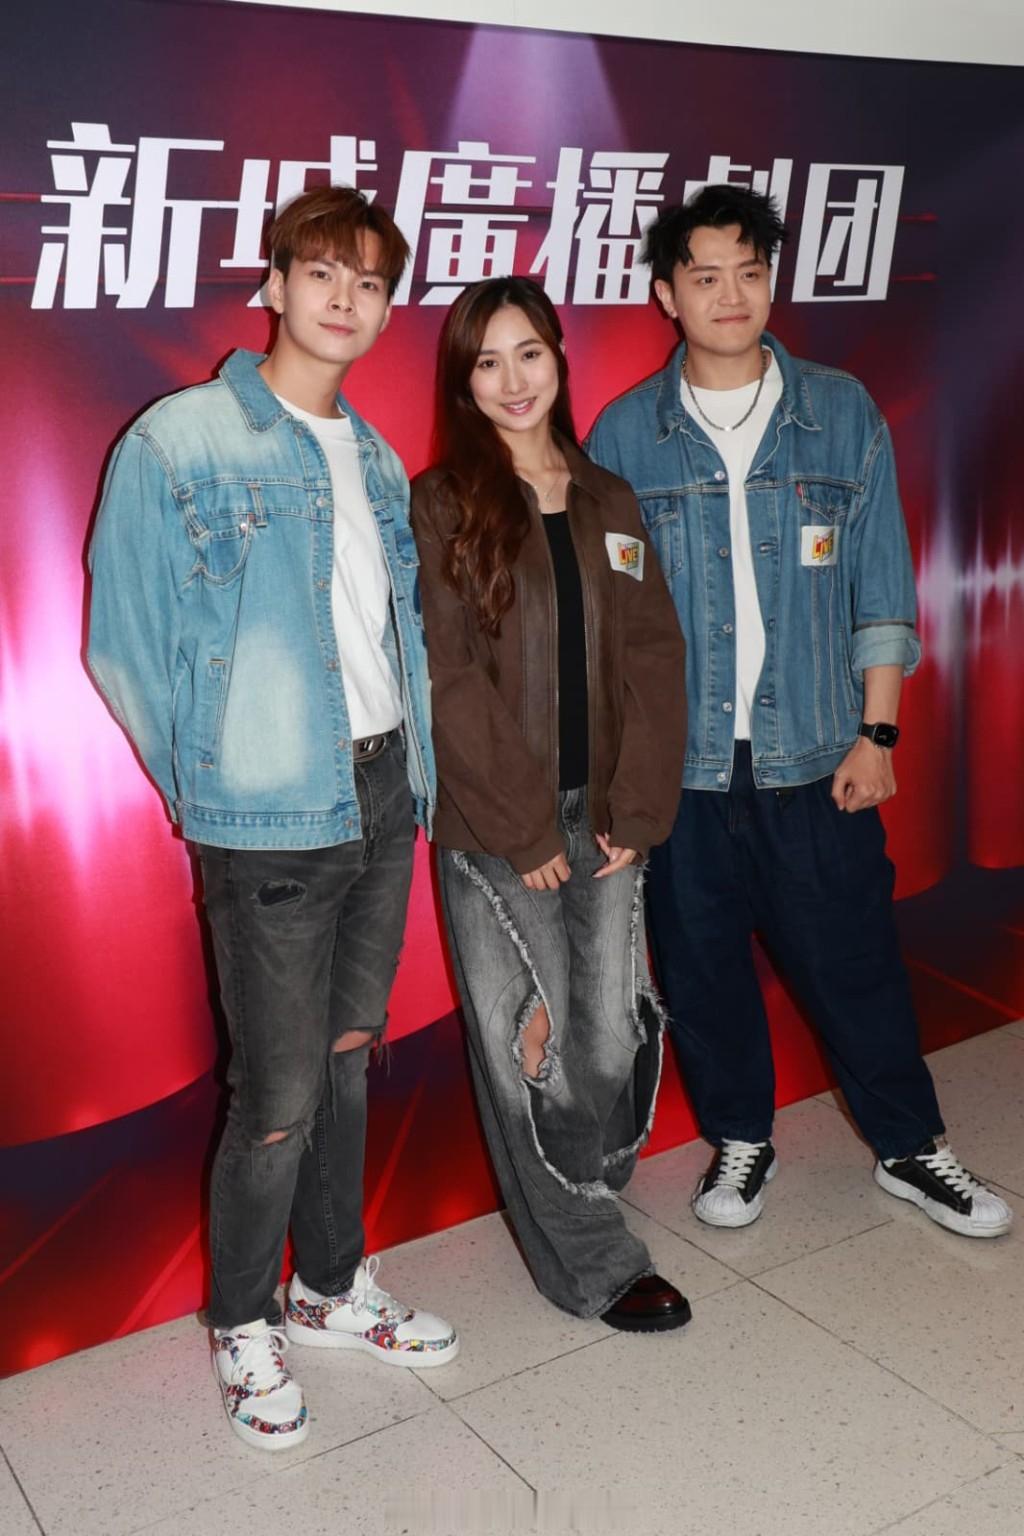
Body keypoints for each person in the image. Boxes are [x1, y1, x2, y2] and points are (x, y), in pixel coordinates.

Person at [87, 186, 458, 1452]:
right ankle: (242, 1318)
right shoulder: (180, 440)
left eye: (370, 282)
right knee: (281, 1091)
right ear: (275, 285)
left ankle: (330, 1284)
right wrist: (216, 788)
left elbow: (390, 635)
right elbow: (124, 641)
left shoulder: (374, 457)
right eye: (323, 272)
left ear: (387, 308)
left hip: (382, 790)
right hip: (267, 817)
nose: (346, 299)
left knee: (349, 1053)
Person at [586, 185, 1012, 1240]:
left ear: (770, 282)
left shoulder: (840, 410)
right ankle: (741, 1138)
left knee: (855, 964)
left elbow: (882, 587)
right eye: (705, 275)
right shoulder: (626, 433)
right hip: (683, 771)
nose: (730, 294)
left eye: (749, 272)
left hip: (818, 754)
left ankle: (910, 1148)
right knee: (702, 970)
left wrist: (879, 733)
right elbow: (608, 624)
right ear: (666, 293)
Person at [410, 276, 691, 1330]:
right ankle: (591, 1258)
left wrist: (639, 809)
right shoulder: (443, 503)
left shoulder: (610, 498)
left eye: (528, 352)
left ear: (560, 359)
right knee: (531, 1039)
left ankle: (585, 1184)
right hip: (499, 827)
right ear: (463, 382)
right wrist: (525, 826)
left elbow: (655, 657)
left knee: (608, 1038)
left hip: (607, 813)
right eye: (486, 362)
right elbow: (447, 678)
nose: (512, 379)